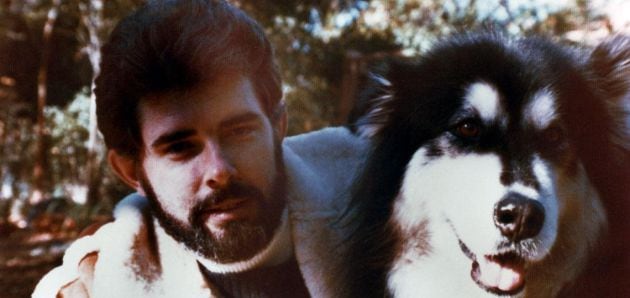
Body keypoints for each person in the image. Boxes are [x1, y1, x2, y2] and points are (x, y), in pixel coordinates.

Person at [32, 0, 367, 297]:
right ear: (132, 171)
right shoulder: (92, 287)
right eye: (180, 148)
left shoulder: (389, 197)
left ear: (278, 126)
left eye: (239, 131)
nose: (219, 170)